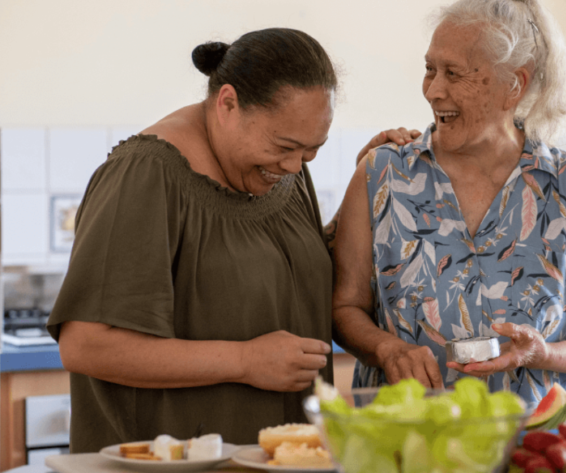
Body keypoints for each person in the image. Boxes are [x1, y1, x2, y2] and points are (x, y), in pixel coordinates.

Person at [47, 28, 417, 453]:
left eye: (312, 151)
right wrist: (245, 361)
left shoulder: (279, 170)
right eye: (286, 146)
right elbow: (85, 345)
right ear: (227, 104)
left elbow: (297, 274)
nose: (296, 165)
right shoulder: (146, 175)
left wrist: (366, 182)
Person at [332, 0, 566, 421]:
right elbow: (343, 309)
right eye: (429, 70)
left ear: (514, 85)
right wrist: (386, 348)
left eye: (454, 74)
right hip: (405, 446)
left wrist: (542, 353)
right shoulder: (382, 174)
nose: (433, 91)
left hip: (537, 451)